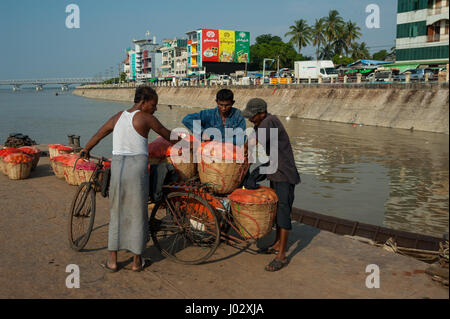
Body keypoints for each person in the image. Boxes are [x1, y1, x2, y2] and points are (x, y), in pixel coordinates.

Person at [80, 86, 175, 273]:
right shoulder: (146, 117)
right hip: (136, 168)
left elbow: (99, 135)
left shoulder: (117, 117)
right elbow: (167, 135)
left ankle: (112, 261)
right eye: (153, 104)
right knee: (138, 212)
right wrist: (187, 141)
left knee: (116, 211)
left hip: (117, 167)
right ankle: (136, 262)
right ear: (143, 102)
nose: (155, 108)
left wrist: (86, 149)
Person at [241, 98, 301, 272]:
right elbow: (252, 140)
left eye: (253, 116)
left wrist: (244, 152)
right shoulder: (260, 124)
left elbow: (251, 143)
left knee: (283, 212)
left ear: (261, 113)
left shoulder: (269, 122)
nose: (250, 119)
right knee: (276, 208)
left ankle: (281, 255)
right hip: (273, 169)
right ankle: (276, 244)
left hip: (283, 173)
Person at [181, 88, 246, 145]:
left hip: (230, 151)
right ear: (216, 102)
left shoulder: (238, 115)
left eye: (227, 105)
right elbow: (186, 119)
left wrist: (219, 142)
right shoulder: (207, 114)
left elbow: (240, 138)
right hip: (209, 150)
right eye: (221, 105)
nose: (223, 108)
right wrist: (202, 132)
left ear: (232, 103)